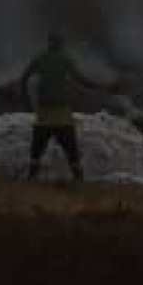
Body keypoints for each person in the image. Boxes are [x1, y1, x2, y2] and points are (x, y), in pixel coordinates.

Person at [20, 31, 88, 181]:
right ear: (61, 44)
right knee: (71, 149)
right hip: (62, 113)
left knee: (37, 148)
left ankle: (32, 177)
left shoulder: (40, 58)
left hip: (45, 112)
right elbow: (82, 80)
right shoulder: (66, 60)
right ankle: (78, 178)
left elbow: (23, 79)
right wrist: (104, 87)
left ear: (49, 43)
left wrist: (26, 102)